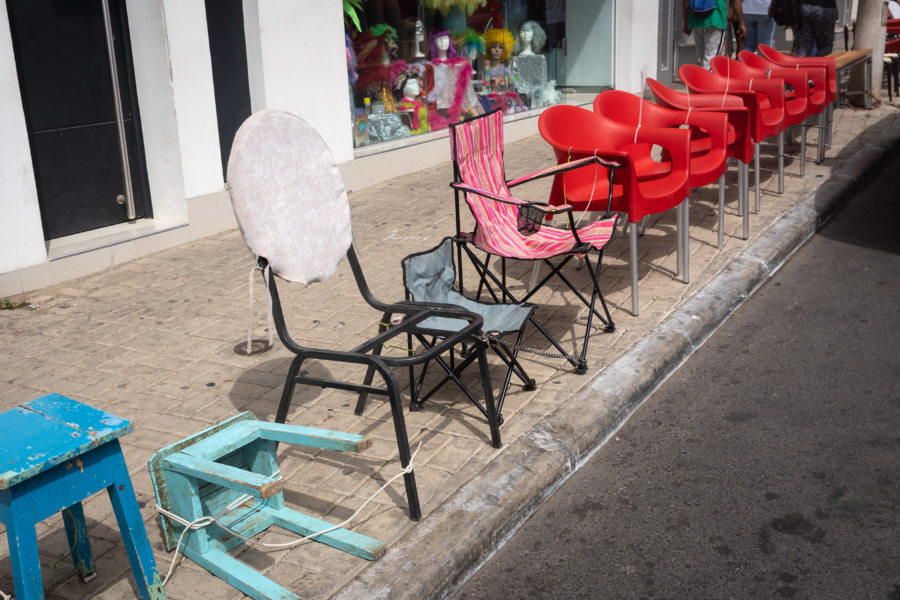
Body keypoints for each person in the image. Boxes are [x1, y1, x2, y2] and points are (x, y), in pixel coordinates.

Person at [683, 0, 745, 69]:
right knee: (710, 59)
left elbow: (685, 1)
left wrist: (685, 21)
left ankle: (702, 77)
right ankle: (705, 79)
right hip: (715, 18)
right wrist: (741, 23)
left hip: (696, 19)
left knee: (702, 57)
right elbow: (735, 1)